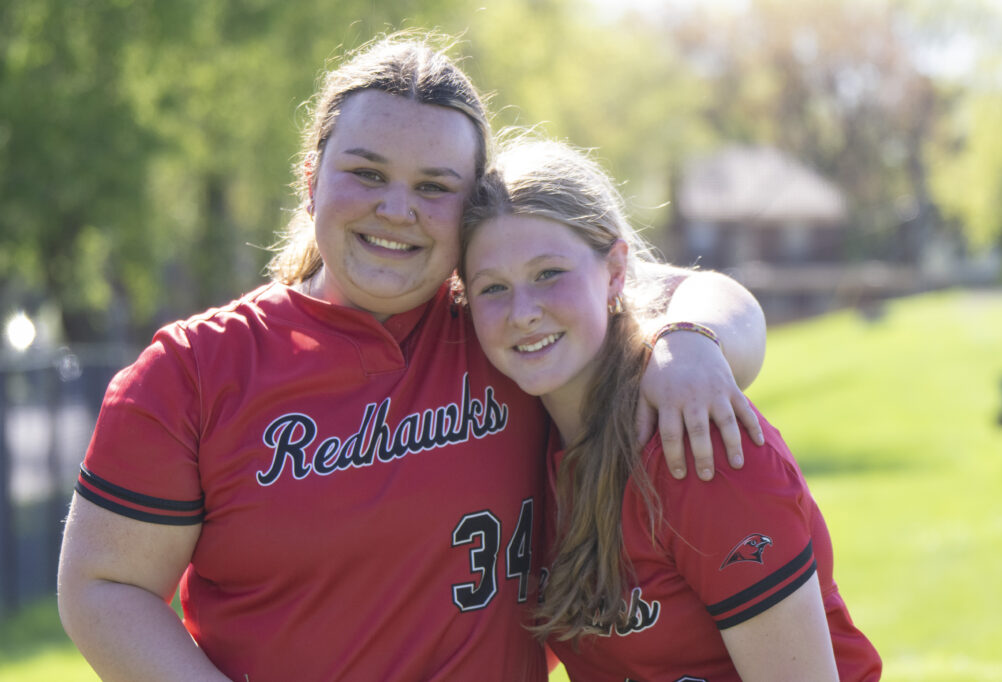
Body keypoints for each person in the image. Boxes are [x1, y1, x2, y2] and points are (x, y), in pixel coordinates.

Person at [56, 33, 767, 681]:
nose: (398, 210)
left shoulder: (510, 327)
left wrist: (687, 344)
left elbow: (719, 299)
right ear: (311, 180)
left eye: (434, 187)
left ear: (473, 208)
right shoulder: (194, 371)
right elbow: (101, 585)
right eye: (367, 174)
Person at [458, 137, 883, 681]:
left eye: (548, 274)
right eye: (493, 288)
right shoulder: (524, 445)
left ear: (614, 272)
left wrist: (690, 337)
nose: (522, 313)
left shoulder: (694, 441)